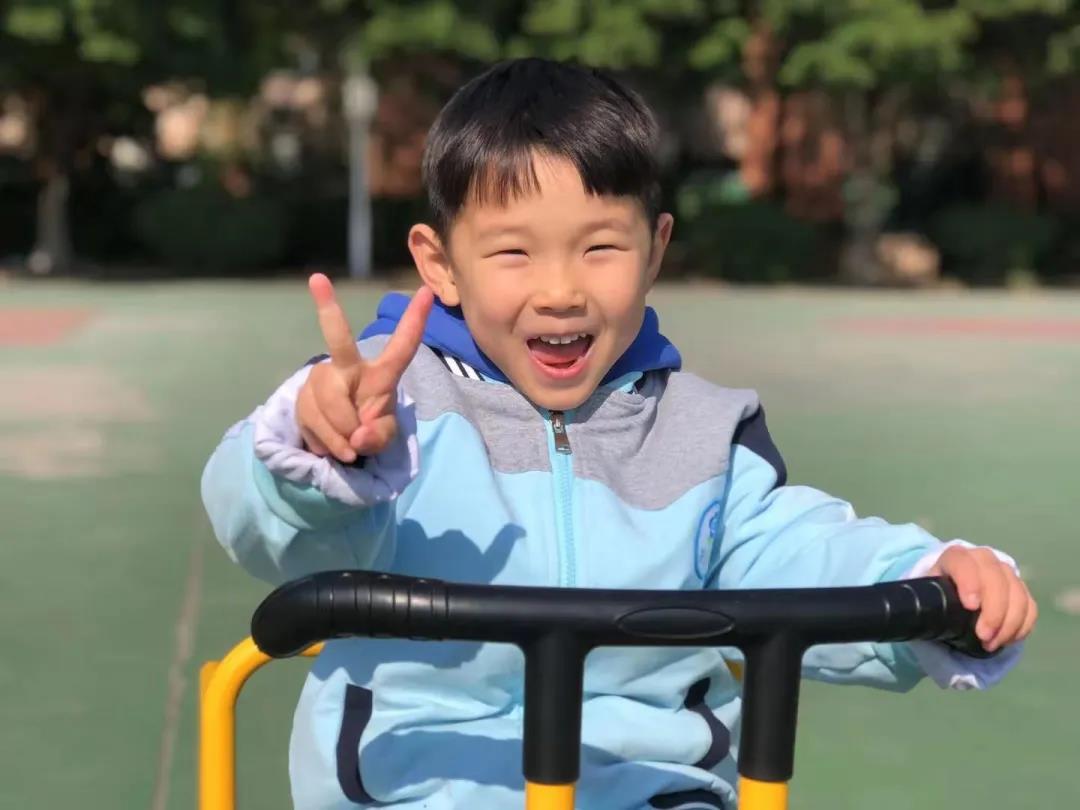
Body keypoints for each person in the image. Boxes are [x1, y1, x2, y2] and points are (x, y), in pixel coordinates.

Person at [201, 58, 1037, 810]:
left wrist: (929, 578)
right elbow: (276, 532)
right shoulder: (385, 409)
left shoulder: (701, 436)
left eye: (600, 246)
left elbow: (799, 551)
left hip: (651, 791)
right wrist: (321, 450)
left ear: (655, 248)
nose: (561, 290)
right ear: (441, 263)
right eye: (514, 253)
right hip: (420, 787)